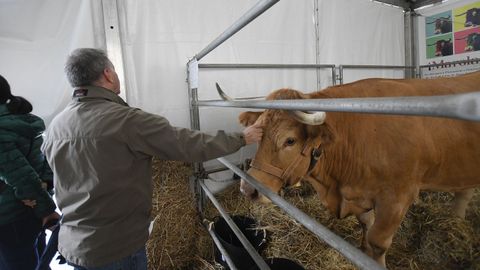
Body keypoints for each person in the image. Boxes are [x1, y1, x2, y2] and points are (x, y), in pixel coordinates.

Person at [41, 48, 264, 270]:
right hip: (117, 248)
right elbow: (188, 144)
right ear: (108, 74)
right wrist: (241, 138)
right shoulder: (125, 120)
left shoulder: (55, 127)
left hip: (74, 245)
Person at [0, 74, 61, 270]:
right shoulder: (27, 122)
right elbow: (46, 163)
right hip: (29, 213)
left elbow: (21, 177)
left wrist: (46, 211)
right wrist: (46, 190)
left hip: (11, 219)